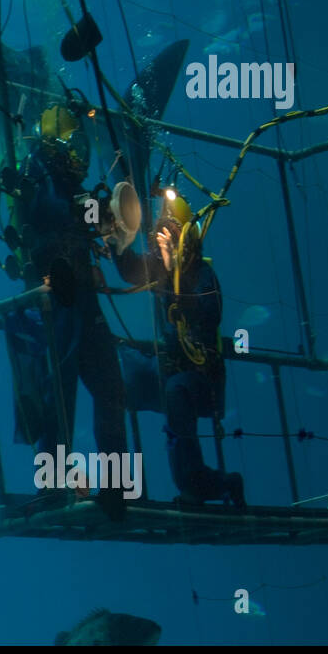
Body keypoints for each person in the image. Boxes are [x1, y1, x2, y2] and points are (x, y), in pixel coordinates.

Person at [0, 103, 128, 512]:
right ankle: (55, 488)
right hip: (59, 299)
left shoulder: (62, 177)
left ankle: (114, 487)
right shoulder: (40, 173)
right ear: (59, 140)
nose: (80, 153)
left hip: (79, 298)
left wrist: (100, 216)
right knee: (60, 392)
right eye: (75, 141)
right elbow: (61, 212)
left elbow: (82, 215)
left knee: (107, 389)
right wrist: (100, 212)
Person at [108, 191, 246, 508]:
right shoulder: (160, 269)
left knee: (176, 391)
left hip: (201, 377)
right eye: (159, 233)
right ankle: (118, 484)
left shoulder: (203, 274)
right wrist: (117, 239)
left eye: (167, 232)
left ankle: (204, 484)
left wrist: (171, 274)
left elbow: (207, 313)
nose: (161, 240)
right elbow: (131, 271)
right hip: (171, 367)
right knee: (119, 376)